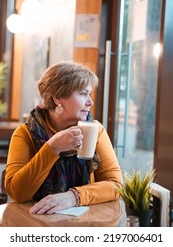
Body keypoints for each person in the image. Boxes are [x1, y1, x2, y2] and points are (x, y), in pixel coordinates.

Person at [5, 61, 122, 215]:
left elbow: (115, 185)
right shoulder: (25, 133)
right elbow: (17, 192)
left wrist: (73, 196)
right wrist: (52, 148)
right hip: (35, 221)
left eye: (90, 94)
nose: (90, 102)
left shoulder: (95, 130)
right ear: (57, 98)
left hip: (84, 223)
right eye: (83, 94)